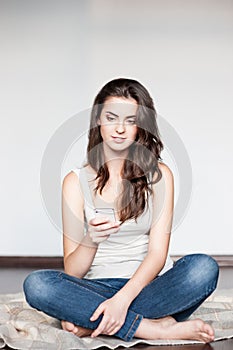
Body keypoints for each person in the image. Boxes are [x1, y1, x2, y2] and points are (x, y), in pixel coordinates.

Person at [23, 78, 219, 343]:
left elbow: (158, 255)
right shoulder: (75, 181)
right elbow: (72, 272)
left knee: (202, 268)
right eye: (112, 118)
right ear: (98, 121)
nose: (119, 129)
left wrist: (121, 301)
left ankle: (92, 321)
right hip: (95, 286)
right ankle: (153, 328)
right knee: (37, 285)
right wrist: (91, 240)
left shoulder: (160, 175)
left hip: (148, 286)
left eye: (130, 120)